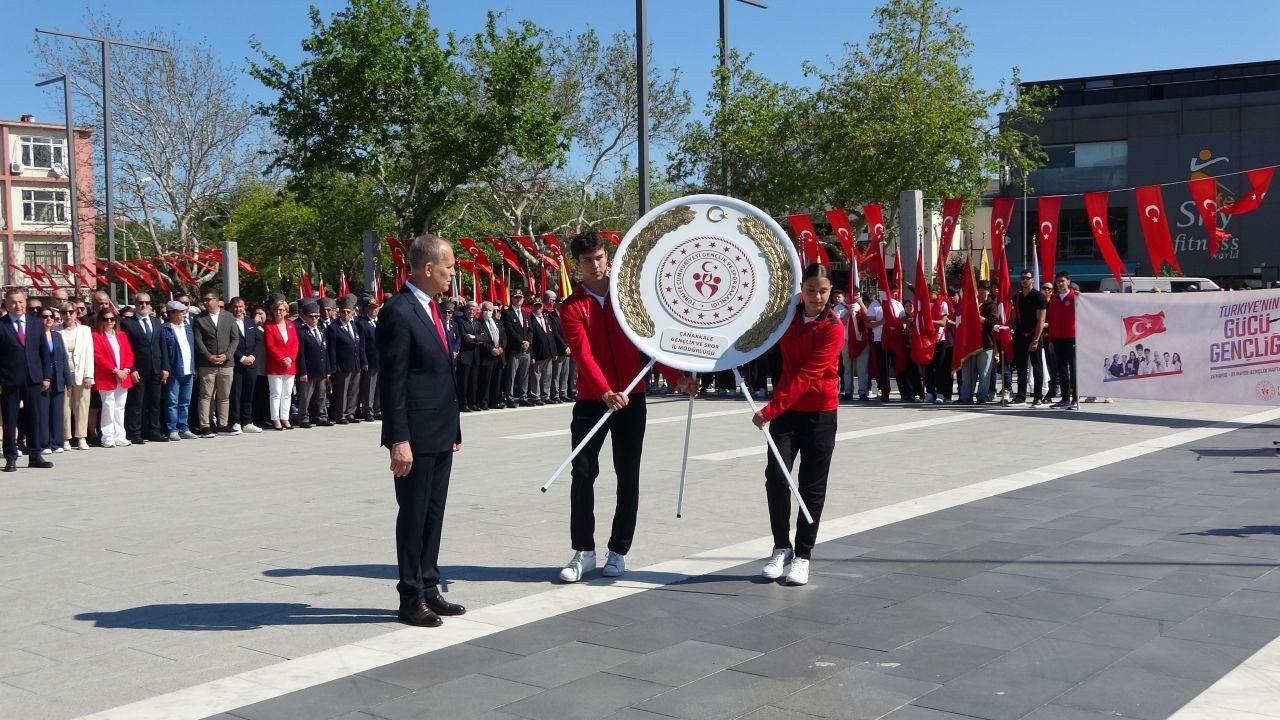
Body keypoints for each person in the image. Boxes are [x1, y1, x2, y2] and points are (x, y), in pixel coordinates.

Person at [557, 230, 696, 584]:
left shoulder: (629, 299)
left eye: (600, 257)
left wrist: (677, 376)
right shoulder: (572, 307)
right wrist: (604, 391)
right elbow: (583, 355)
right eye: (587, 260)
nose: (595, 265)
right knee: (583, 473)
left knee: (627, 474)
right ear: (578, 264)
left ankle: (618, 551)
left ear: (608, 257)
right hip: (591, 402)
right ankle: (583, 551)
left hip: (632, 399)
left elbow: (651, 344)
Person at [378, 234, 466, 628]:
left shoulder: (433, 308)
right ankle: (410, 596)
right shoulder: (398, 311)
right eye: (448, 266)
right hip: (413, 435)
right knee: (413, 515)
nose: (453, 272)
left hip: (440, 430)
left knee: (434, 513)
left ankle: (430, 586)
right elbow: (393, 382)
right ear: (428, 268)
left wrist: (455, 428)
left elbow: (441, 374)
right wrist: (399, 440)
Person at [754, 264, 844, 586]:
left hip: (820, 412)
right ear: (800, 290)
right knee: (777, 478)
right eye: (810, 290)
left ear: (831, 290)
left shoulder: (833, 327)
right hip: (786, 414)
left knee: (811, 486)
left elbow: (809, 376)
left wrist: (769, 409)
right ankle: (781, 547)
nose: (816, 297)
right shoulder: (786, 318)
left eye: (823, 291)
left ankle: (803, 555)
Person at [0, 290, 53, 471]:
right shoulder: (1, 325)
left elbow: (43, 352)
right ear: (6, 305)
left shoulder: (36, 323)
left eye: (21, 302)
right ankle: (11, 458)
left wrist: (46, 376)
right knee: (9, 420)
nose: (18, 305)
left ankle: (35, 455)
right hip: (9, 380)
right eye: (14, 302)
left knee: (34, 417)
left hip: (33, 378)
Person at [120, 292, 171, 443]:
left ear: (150, 305)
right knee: (137, 403)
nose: (144, 305)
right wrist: (132, 368)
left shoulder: (156, 322)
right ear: (135, 304)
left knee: (155, 402)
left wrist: (165, 367)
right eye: (140, 303)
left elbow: (162, 346)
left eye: (146, 303)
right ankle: (135, 432)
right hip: (138, 370)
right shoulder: (128, 323)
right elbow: (126, 349)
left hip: (156, 368)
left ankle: (154, 431)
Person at [192, 291, 241, 436]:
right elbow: (198, 341)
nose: (206, 302)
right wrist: (208, 356)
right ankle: (205, 425)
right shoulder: (199, 318)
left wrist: (227, 355)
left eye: (209, 299)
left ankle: (223, 424)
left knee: (224, 395)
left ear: (216, 300)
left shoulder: (229, 316)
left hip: (226, 363)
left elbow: (235, 339)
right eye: (204, 300)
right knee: (206, 395)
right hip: (208, 364)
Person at [92, 307, 134, 449]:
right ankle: (108, 436)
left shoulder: (121, 335)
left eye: (112, 319)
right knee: (108, 406)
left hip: (123, 376)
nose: (109, 322)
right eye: (106, 319)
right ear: (101, 321)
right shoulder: (97, 336)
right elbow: (99, 357)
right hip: (107, 376)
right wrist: (115, 370)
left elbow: (129, 353)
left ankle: (120, 435)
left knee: (120, 407)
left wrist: (126, 370)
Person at [59, 301, 94, 451]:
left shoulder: (85, 330)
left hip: (81, 374)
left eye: (71, 312)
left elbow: (89, 354)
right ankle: (65, 438)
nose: (68, 315)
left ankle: (81, 437)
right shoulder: (56, 330)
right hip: (62, 375)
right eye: (64, 312)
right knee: (64, 407)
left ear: (76, 313)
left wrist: (89, 375)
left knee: (82, 406)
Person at [161, 301, 199, 440]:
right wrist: (165, 368)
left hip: (188, 370)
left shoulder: (188, 328)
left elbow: (191, 348)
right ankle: (172, 429)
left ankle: (184, 427)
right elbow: (164, 351)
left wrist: (194, 367)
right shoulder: (165, 329)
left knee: (185, 401)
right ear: (171, 313)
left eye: (184, 311)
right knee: (172, 402)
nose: (184, 314)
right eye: (180, 312)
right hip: (174, 370)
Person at [958, 280, 998, 404]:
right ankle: (965, 397)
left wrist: (979, 318)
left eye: (984, 289)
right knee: (967, 373)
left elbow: (993, 323)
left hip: (985, 343)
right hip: (969, 343)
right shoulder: (970, 303)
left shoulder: (991, 305)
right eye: (979, 289)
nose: (981, 291)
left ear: (988, 291)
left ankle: (982, 397)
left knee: (984, 373)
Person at [325, 297, 365, 424]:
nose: (346, 314)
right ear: (339, 312)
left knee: (353, 390)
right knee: (341, 391)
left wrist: (362, 361)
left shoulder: (354, 326)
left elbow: (358, 345)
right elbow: (331, 349)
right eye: (343, 312)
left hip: (354, 363)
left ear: (353, 312)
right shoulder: (334, 327)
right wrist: (333, 366)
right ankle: (340, 414)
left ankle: (350, 413)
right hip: (341, 365)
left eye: (348, 312)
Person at [1011, 270, 1047, 406]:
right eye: (1022, 278)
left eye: (1027, 278)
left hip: (1034, 335)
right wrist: (1006, 327)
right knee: (1020, 367)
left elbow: (1041, 320)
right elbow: (1015, 316)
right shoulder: (1017, 297)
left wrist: (1036, 339)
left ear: (1032, 280)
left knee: (1037, 367)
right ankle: (1020, 396)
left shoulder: (1039, 297)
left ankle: (1037, 397)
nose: (1024, 280)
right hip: (1020, 335)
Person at [228, 297, 264, 434]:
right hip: (236, 363)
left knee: (249, 393)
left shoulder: (250, 321)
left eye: (241, 306)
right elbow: (228, 343)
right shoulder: (228, 321)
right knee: (236, 393)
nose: (238, 309)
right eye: (236, 306)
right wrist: (241, 357)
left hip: (251, 363)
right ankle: (235, 421)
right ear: (231, 307)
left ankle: (247, 421)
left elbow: (258, 341)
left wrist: (253, 356)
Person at [263, 299, 300, 430]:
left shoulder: (291, 325)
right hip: (275, 365)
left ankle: (285, 417)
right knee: (276, 393)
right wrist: (282, 359)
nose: (279, 312)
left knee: (287, 393)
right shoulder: (269, 326)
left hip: (290, 365)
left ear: (286, 312)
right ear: (272, 311)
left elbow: (295, 343)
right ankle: (276, 419)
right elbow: (270, 346)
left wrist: (290, 358)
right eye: (276, 310)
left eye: (281, 310)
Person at [41, 307, 73, 454]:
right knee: (43, 411)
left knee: (57, 411)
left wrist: (68, 378)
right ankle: (44, 444)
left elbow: (64, 358)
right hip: (42, 379)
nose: (48, 319)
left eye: (51, 317)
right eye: (45, 316)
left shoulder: (58, 335)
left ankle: (56, 442)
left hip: (58, 377)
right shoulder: (36, 335)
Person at [295, 302, 331, 428]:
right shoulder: (302, 332)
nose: (315, 319)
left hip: (321, 369)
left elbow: (325, 351)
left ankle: (321, 416)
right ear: (305, 317)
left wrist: (327, 369)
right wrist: (303, 371)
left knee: (322, 395)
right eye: (311, 316)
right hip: (308, 370)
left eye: (316, 316)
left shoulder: (321, 330)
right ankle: (303, 418)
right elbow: (301, 354)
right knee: (305, 396)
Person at [1046, 271, 1078, 410]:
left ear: (1068, 282)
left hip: (1072, 338)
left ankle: (1076, 398)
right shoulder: (1054, 299)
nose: (1060, 284)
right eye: (1058, 281)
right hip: (1058, 339)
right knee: (1062, 370)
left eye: (1062, 281)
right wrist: (1051, 340)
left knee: (1074, 369)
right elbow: (1051, 321)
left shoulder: (1075, 297)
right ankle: (1065, 399)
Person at [502, 290, 532, 408]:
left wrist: (528, 341)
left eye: (521, 297)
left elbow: (530, 329)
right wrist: (521, 342)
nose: (519, 299)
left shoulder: (525, 313)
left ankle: (523, 397)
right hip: (514, 349)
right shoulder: (507, 313)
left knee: (524, 375)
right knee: (511, 375)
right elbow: (509, 330)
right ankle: (510, 397)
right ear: (512, 299)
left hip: (526, 349)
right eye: (516, 297)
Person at [354, 297, 380, 421]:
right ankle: (368, 410)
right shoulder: (361, 322)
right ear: (366, 309)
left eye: (376, 307)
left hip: (381, 359)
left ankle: (377, 408)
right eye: (371, 307)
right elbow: (361, 345)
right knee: (369, 386)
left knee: (379, 386)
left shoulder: (380, 321)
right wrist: (364, 361)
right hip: (370, 359)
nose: (374, 309)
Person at [477, 300, 505, 410]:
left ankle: (496, 401)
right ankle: (484, 402)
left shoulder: (498, 322)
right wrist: (491, 349)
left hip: (499, 355)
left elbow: (503, 336)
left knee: (497, 380)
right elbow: (481, 339)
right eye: (486, 310)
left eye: (490, 310)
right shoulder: (479, 322)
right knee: (486, 380)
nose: (488, 312)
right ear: (482, 310)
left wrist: (501, 347)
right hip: (487, 355)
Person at [528, 298, 556, 405]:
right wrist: (532, 355)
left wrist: (554, 352)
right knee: (536, 376)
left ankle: (546, 395)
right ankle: (535, 396)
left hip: (548, 352)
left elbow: (551, 335)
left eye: (540, 306)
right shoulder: (530, 319)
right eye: (536, 306)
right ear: (532, 307)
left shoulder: (546, 318)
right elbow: (530, 338)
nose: (538, 308)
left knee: (547, 375)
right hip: (537, 353)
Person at [454, 301, 481, 411]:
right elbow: (464, 338)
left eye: (474, 310)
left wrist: (475, 337)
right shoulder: (461, 322)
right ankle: (463, 404)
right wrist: (478, 339)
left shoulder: (477, 323)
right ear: (466, 310)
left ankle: (473, 402)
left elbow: (485, 337)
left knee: (474, 382)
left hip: (476, 356)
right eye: (470, 309)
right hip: (465, 356)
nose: (472, 312)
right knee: (464, 382)